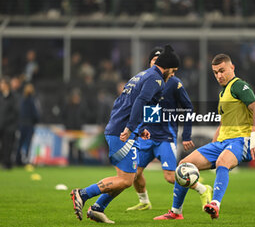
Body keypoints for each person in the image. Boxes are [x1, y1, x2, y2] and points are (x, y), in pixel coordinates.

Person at [70, 45, 181, 223]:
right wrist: (129, 128)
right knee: (126, 180)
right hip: (122, 131)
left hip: (121, 128)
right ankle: (82, 194)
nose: (173, 75)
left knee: (127, 176)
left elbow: (125, 103)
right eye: (173, 71)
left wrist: (140, 127)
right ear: (166, 67)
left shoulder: (141, 75)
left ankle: (97, 208)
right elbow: (140, 101)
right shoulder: (156, 80)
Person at [154, 53, 255, 220]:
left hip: (241, 141)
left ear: (232, 67)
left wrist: (254, 137)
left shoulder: (239, 85)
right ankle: (176, 212)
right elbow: (223, 122)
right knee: (183, 166)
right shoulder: (223, 93)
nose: (219, 75)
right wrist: (214, 142)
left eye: (222, 70)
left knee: (222, 162)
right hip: (222, 143)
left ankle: (215, 204)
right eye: (215, 72)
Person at [126, 47, 197, 211]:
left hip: (165, 136)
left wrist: (186, 135)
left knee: (171, 177)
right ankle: (144, 202)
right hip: (146, 136)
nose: (156, 63)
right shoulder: (146, 79)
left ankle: (202, 189)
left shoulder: (174, 82)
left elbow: (188, 107)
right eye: (154, 60)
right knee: (134, 174)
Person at [15, 83, 40, 166]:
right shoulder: (33, 100)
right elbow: (35, 113)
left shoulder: (21, 100)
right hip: (29, 124)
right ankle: (25, 159)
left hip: (21, 124)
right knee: (27, 143)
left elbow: (18, 112)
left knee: (20, 143)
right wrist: (36, 121)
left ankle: (18, 159)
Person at [0, 76, 19, 169]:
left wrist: (7, 121)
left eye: (2, 83)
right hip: (1, 126)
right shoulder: (1, 96)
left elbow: (16, 112)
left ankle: (7, 164)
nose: (1, 85)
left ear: (7, 85)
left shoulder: (14, 97)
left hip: (9, 127)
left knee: (8, 146)